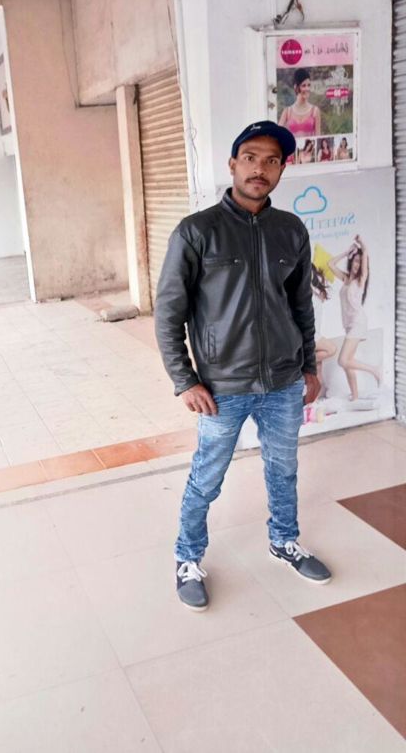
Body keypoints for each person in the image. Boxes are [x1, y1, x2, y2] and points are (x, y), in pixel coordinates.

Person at [155, 120, 331, 612]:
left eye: (272, 161)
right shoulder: (197, 231)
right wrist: (184, 380)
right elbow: (168, 311)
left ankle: (284, 540)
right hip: (221, 387)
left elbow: (301, 305)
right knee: (207, 476)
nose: (260, 169)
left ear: (281, 170)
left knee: (284, 468)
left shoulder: (290, 230)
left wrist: (309, 367)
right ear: (233, 164)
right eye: (251, 158)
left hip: (283, 381)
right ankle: (188, 558)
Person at [328, 236, 381, 400]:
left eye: (360, 261)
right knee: (348, 363)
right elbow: (330, 264)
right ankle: (355, 397)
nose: (357, 265)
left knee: (343, 360)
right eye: (355, 261)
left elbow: (365, 255)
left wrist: (362, 244)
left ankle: (374, 370)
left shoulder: (360, 280)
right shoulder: (346, 279)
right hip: (349, 325)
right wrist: (346, 252)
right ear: (351, 262)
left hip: (358, 322)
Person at [311, 265, 337, 398]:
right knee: (331, 349)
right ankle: (304, 362)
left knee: (318, 372)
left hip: (316, 332)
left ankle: (314, 403)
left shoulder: (316, 290)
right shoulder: (302, 292)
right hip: (310, 336)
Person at [278, 68, 322, 137]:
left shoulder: (315, 111)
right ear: (296, 87)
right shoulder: (287, 111)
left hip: (310, 144)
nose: (307, 89)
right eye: (304, 85)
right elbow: (277, 134)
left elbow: (318, 137)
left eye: (309, 85)